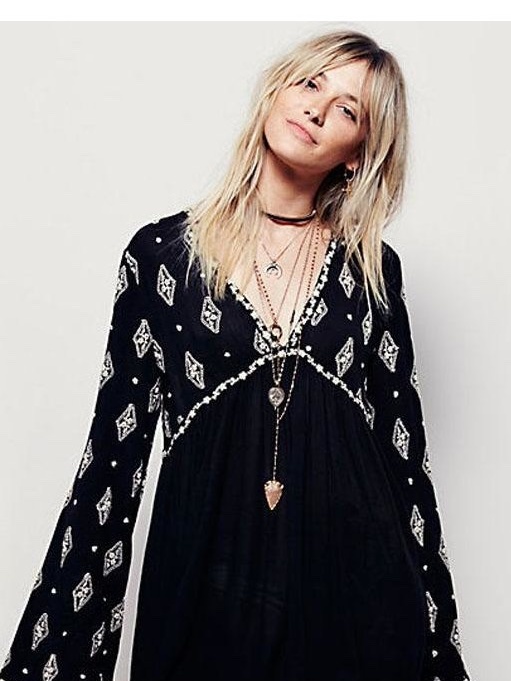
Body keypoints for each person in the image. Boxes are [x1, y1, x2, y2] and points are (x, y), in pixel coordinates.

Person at [1, 28, 472, 681]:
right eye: (309, 83)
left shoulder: (371, 271)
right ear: (275, 91)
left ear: (358, 154)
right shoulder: (161, 257)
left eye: (346, 109)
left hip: (354, 595)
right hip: (204, 586)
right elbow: (112, 460)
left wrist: (439, 650)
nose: (316, 109)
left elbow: (404, 462)